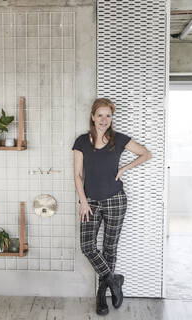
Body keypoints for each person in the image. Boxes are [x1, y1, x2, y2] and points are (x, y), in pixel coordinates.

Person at [72, 98, 151, 315]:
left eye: (108, 116)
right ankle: (114, 281)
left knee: (109, 248)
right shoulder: (81, 142)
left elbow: (146, 153)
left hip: (116, 200)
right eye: (100, 115)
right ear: (93, 117)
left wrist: (125, 168)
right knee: (88, 246)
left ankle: (101, 295)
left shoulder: (119, 139)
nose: (104, 120)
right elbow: (78, 175)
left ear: (111, 118)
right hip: (91, 203)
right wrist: (84, 201)